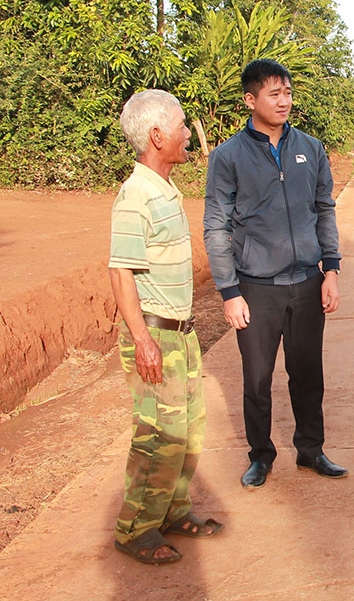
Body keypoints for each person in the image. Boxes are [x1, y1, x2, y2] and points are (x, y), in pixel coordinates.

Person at [204, 58, 347, 489]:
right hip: (256, 287)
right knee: (257, 379)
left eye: (287, 92)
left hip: (306, 283)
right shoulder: (228, 157)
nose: (284, 101)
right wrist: (230, 291)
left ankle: (311, 450)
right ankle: (260, 456)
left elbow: (324, 210)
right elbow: (216, 226)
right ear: (251, 100)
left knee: (307, 373)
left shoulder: (312, 148)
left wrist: (331, 269)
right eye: (274, 94)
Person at [110, 89, 223, 566]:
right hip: (155, 334)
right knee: (157, 434)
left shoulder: (165, 189)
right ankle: (135, 529)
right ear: (156, 135)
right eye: (180, 127)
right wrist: (143, 341)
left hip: (180, 332)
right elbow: (121, 273)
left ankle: (173, 510)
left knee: (188, 430)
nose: (186, 137)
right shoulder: (136, 196)